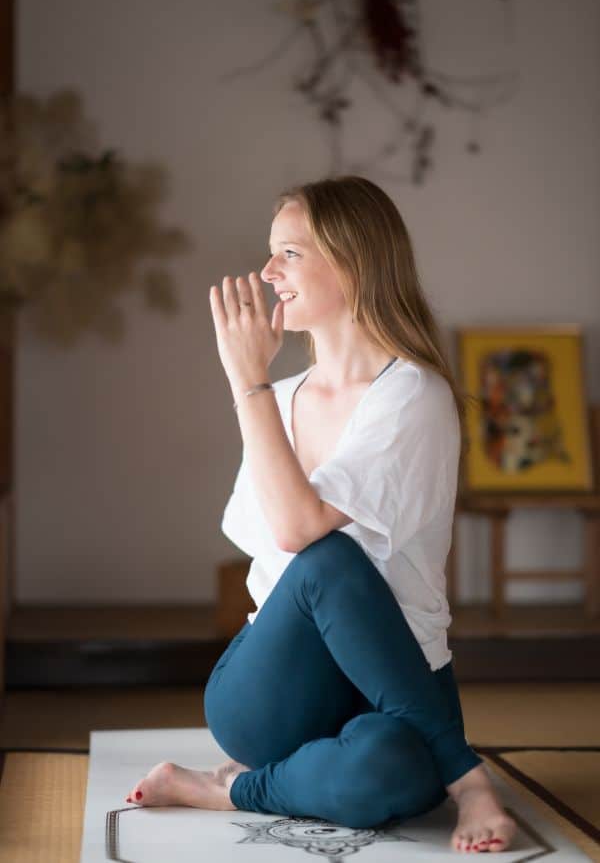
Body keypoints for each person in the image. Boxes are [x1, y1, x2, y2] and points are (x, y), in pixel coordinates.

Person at [124, 175, 516, 854]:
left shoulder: (413, 395)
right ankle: (466, 774)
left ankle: (226, 788)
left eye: (291, 254)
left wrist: (249, 386)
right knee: (329, 555)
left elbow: (300, 523)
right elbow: (292, 537)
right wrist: (250, 384)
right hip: (273, 692)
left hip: (395, 688)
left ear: (356, 261)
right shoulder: (275, 394)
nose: (269, 271)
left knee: (385, 777)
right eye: (270, 252)